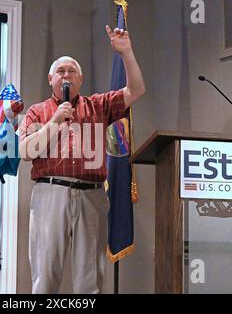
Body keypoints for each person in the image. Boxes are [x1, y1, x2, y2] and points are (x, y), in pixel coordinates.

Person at [19, 25, 145, 294]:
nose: (66, 75)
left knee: (91, 280)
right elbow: (25, 151)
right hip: (50, 192)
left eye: (72, 70)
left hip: (92, 196)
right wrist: (54, 121)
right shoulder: (37, 111)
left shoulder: (99, 105)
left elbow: (136, 90)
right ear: (50, 78)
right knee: (45, 277)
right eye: (61, 71)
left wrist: (126, 53)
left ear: (81, 79)